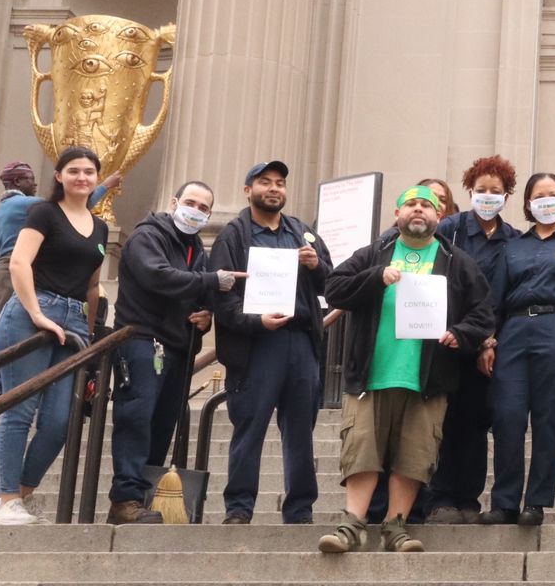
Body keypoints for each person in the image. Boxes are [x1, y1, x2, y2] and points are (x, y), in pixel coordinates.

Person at [319, 184, 494, 555]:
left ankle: (396, 526)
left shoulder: (457, 261)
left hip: (427, 380)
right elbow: (333, 288)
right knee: (362, 449)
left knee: (414, 456)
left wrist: (460, 333)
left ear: (439, 216)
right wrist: (374, 278)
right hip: (371, 378)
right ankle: (352, 524)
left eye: (426, 205)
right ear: (397, 214)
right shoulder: (373, 254)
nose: (418, 210)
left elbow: (483, 313)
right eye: (411, 204)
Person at [0, 147, 106, 525]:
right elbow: (19, 261)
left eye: (89, 171)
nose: (82, 177)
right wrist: (37, 313)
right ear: (59, 176)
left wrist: (89, 333)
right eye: (74, 171)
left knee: (60, 421)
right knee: (20, 411)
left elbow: (93, 285)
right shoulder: (44, 212)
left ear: (97, 178)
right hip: (31, 312)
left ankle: (19, 496)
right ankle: (7, 500)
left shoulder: (99, 226)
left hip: (74, 321)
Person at [209, 160, 331, 525]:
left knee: (301, 431)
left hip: (301, 341)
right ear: (248, 190)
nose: (274, 188)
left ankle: (300, 510)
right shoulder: (233, 236)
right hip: (257, 344)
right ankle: (239, 508)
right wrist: (255, 321)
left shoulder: (303, 233)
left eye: (280, 183)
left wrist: (316, 266)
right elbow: (221, 296)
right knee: (251, 426)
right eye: (265, 182)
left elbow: (333, 284)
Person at [109, 181, 238, 524]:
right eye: (191, 203)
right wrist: (211, 281)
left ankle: (142, 497)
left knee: (162, 424)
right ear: (174, 202)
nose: (196, 211)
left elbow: (197, 297)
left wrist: (205, 316)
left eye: (204, 208)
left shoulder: (196, 249)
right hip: (142, 341)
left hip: (178, 347)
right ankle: (125, 497)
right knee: (136, 419)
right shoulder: (147, 236)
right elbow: (158, 277)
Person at [481, 172, 555, 526]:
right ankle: (504, 502)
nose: (547, 201)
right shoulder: (513, 246)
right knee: (508, 416)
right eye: (540, 196)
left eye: (553, 194)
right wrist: (488, 341)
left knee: (549, 418)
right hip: (515, 331)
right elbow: (495, 301)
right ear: (529, 204)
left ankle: (536, 502)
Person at [426, 156, 520, 523]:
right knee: (446, 419)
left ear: (507, 195)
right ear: (469, 191)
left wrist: (489, 342)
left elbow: (506, 295)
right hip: (447, 340)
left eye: (496, 191)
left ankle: (468, 497)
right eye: (481, 190)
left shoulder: (513, 239)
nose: (488, 196)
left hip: (488, 344)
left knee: (477, 420)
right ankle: (441, 497)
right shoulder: (450, 229)